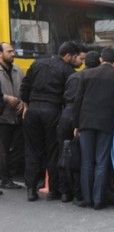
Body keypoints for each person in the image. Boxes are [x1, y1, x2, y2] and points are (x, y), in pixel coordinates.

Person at [20, 41, 81, 202]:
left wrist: (27, 104)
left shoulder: (37, 64)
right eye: (75, 57)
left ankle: (31, 190)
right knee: (53, 150)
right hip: (52, 110)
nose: (77, 60)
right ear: (67, 55)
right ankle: (54, 190)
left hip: (32, 110)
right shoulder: (68, 70)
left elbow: (24, 87)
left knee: (32, 150)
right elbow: (68, 95)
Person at [73, 48, 114, 210]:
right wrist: (111, 115)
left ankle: (87, 199)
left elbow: (78, 101)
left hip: (86, 122)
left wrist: (77, 124)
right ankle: (98, 200)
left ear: (101, 58)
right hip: (106, 123)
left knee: (86, 161)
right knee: (102, 161)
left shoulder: (85, 74)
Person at [57, 51, 100, 204]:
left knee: (64, 154)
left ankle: (64, 192)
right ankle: (77, 192)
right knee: (79, 156)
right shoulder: (93, 79)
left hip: (66, 115)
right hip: (81, 118)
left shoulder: (73, 76)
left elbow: (65, 97)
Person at [0, 42, 24, 190]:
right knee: (3, 150)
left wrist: (24, 102)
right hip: (3, 117)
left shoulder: (18, 71)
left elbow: (25, 89)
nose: (13, 54)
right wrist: (5, 98)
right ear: (0, 54)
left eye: (13, 51)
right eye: (9, 51)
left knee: (15, 149)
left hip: (17, 116)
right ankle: (5, 179)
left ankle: (9, 175)